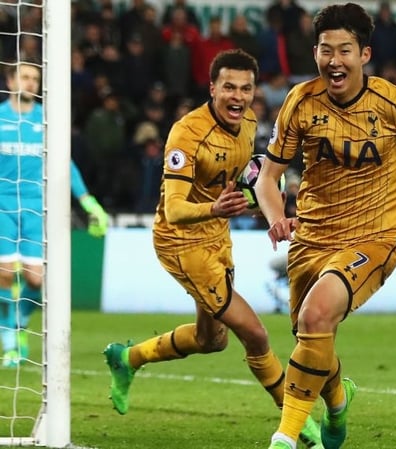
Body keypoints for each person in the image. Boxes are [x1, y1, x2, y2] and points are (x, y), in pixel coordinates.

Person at [253, 4, 396, 449]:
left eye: (345, 50)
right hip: (311, 241)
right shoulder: (300, 102)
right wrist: (277, 218)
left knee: (315, 317)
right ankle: (337, 402)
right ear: (315, 52)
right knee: (312, 336)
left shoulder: (393, 103)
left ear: (364, 54)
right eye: (326, 50)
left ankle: (285, 437)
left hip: (372, 239)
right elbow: (267, 178)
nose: (335, 60)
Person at [101, 49, 322, 447]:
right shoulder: (187, 133)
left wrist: (262, 200)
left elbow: (248, 175)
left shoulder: (250, 122)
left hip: (217, 233)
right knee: (255, 334)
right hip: (181, 241)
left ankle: (127, 358)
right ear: (213, 88)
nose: (238, 97)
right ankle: (300, 425)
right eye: (229, 88)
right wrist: (216, 207)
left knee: (211, 340)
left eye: (246, 88)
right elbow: (174, 208)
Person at [0, 61, 108, 368]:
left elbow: (66, 163)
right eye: (25, 77)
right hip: (3, 205)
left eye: (35, 78)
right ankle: (10, 341)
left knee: (36, 281)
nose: (31, 83)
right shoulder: (0, 117)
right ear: (10, 81)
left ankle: (19, 324)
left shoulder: (46, 120)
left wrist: (88, 202)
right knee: (6, 273)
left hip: (37, 208)